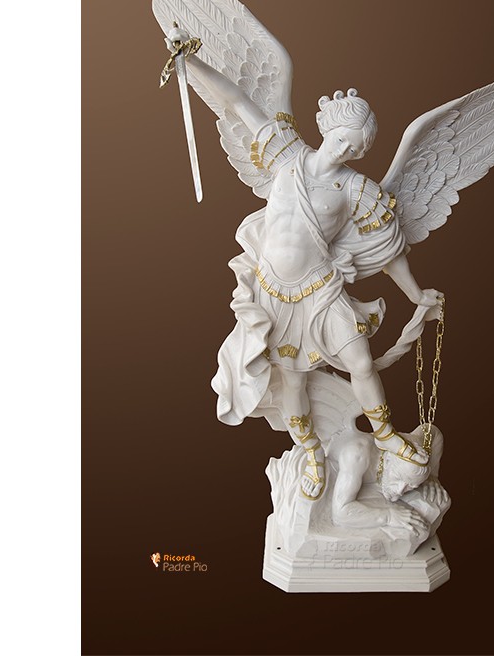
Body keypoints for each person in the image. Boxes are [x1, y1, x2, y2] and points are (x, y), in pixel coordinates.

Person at [178, 40, 442, 500]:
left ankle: (385, 435)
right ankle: (312, 451)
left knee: (361, 362)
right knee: (293, 379)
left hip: (321, 289)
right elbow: (236, 100)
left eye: (356, 148)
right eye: (342, 140)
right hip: (273, 291)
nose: (346, 151)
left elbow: (390, 249)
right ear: (328, 130)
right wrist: (189, 60)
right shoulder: (284, 153)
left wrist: (415, 294)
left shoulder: (356, 189)